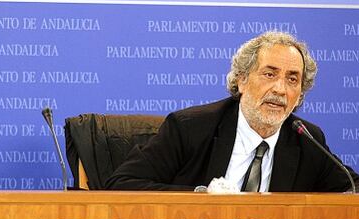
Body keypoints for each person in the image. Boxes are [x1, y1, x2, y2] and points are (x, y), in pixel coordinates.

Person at [105, 31, 359, 192]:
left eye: (292, 80)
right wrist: (200, 197)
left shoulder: (306, 140)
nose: (280, 89)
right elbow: (123, 184)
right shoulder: (190, 128)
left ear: (300, 95)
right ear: (242, 80)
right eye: (269, 74)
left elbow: (351, 187)